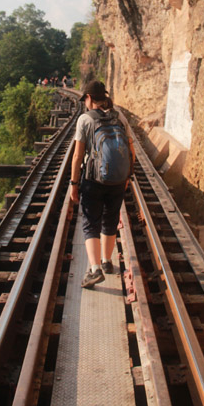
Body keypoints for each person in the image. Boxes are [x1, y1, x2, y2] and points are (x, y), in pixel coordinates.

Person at [70, 81, 135, 288]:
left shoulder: (85, 120)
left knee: (90, 223)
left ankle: (95, 269)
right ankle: (108, 262)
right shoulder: (119, 117)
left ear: (89, 97)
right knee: (111, 218)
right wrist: (127, 177)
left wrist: (74, 183)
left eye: (85, 100)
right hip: (118, 180)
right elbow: (131, 150)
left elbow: (78, 155)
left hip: (93, 180)